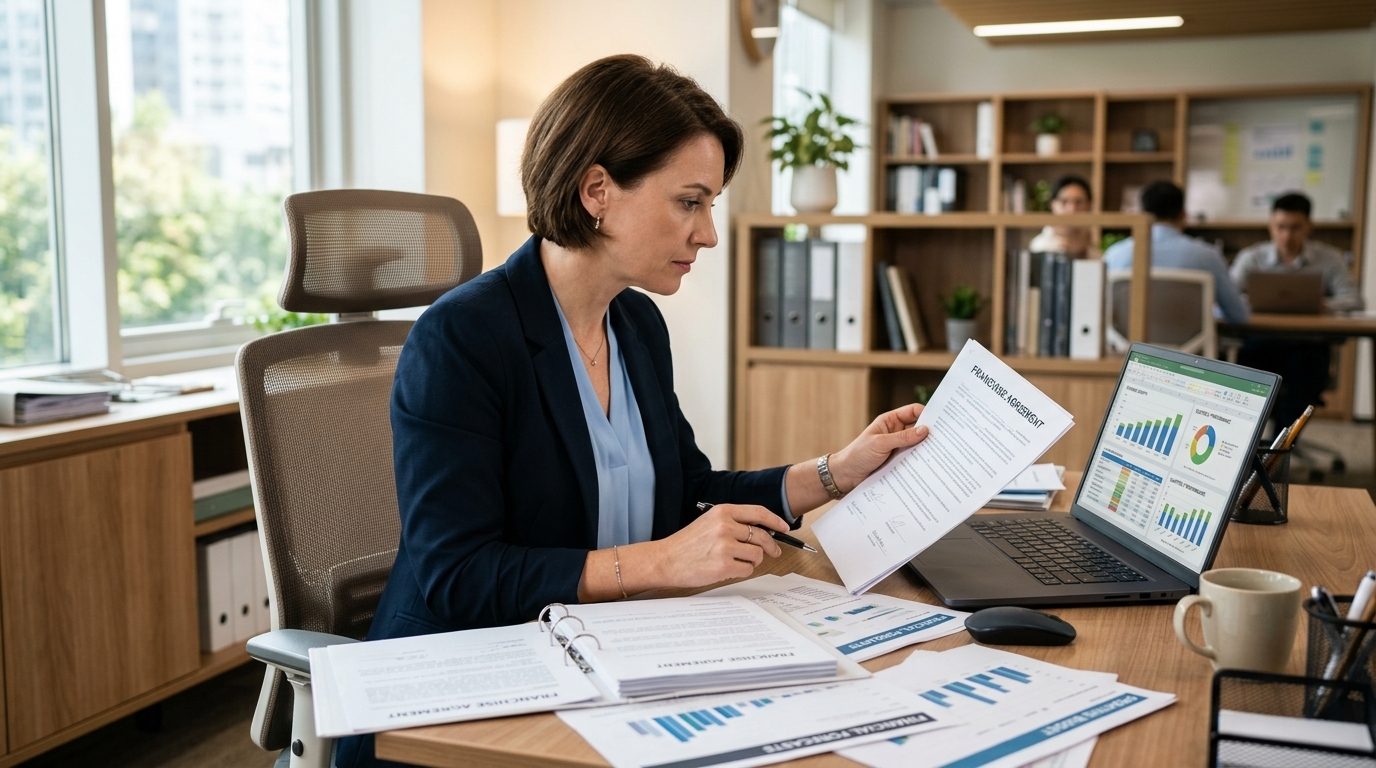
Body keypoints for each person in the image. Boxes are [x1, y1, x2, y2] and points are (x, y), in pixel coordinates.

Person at [336, 55, 930, 768]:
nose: (708, 233)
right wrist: (656, 564)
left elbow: (686, 491)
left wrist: (835, 472)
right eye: (690, 201)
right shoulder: (463, 336)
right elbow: (458, 575)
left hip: (601, 657)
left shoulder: (637, 326)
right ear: (597, 191)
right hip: (462, 689)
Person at [1230, 192, 1363, 434]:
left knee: (1306, 375)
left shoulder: (1329, 258)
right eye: (1280, 227)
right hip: (1260, 342)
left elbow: (1354, 300)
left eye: (1295, 228)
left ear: (1309, 227)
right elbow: (1228, 298)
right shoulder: (1251, 258)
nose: (1287, 236)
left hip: (1308, 343)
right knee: (1249, 371)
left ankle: (1280, 450)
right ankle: (1247, 444)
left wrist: (1324, 305)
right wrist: (1250, 301)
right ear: (1271, 225)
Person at [1103, 180, 1250, 324]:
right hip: (1187, 348)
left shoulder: (1114, 255)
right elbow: (1239, 316)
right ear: (1183, 214)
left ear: (1141, 214)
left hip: (1129, 347)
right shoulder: (1207, 256)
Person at [1028, 175, 1100, 257]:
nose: (1072, 209)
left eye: (1079, 202)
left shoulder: (1093, 249)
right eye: (1064, 201)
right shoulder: (1040, 247)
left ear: (1089, 205)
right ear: (1052, 204)